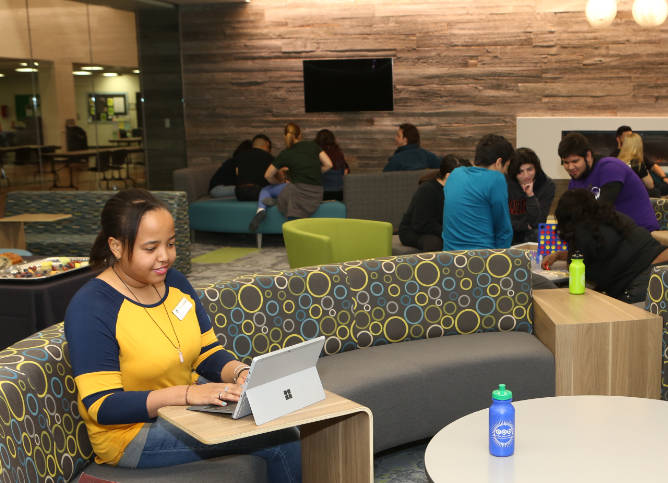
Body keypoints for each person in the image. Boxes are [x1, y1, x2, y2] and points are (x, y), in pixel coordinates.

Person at [64, 189, 301, 479]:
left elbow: (207, 351)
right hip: (130, 435)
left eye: (171, 244)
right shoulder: (91, 307)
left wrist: (239, 372)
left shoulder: (174, 282)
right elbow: (103, 406)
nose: (165, 257)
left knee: (280, 419)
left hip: (185, 408)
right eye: (150, 249)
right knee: (280, 440)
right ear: (115, 246)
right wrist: (188, 395)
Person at [541, 189, 668, 303]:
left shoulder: (582, 232)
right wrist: (559, 255)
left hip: (641, 283)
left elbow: (579, 271)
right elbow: (604, 250)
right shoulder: (613, 216)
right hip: (662, 266)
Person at [558, 132, 659, 232]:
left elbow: (603, 208)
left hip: (640, 232)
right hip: (613, 233)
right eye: (566, 162)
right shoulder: (575, 180)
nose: (570, 167)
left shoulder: (610, 167)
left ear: (588, 156)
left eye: (575, 161)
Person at [249, 123, 332, 231]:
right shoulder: (312, 146)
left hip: (296, 192)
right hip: (316, 194)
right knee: (289, 188)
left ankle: (262, 209)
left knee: (266, 189)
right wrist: (314, 172)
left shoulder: (286, 153)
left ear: (285, 136)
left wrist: (277, 183)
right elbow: (329, 165)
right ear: (300, 134)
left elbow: (267, 175)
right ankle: (277, 200)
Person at [442, 134, 514, 250]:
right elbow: (503, 231)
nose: (504, 173)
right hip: (480, 259)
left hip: (449, 257)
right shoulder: (496, 178)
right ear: (499, 162)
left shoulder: (455, 174)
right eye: (506, 167)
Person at [398, 155, 459, 252]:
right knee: (434, 243)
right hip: (413, 230)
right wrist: (447, 232)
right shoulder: (427, 190)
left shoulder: (455, 190)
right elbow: (421, 223)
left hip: (436, 228)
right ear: (448, 176)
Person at [507, 147, 556, 244]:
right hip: (509, 233)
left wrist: (530, 195)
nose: (526, 175)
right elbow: (502, 220)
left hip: (532, 235)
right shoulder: (506, 182)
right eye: (520, 172)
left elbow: (538, 222)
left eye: (530, 169)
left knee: (536, 233)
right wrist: (524, 225)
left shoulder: (547, 185)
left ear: (536, 169)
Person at [612, 125, 668, 195]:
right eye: (628, 138)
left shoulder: (627, 157)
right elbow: (650, 185)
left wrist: (664, 177)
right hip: (640, 191)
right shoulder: (633, 161)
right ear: (618, 139)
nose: (630, 139)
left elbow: (653, 165)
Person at [233, 134, 274, 201]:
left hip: (239, 193)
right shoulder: (268, 157)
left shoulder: (240, 155)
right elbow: (272, 176)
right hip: (257, 192)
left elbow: (237, 174)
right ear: (267, 145)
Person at [315, 129, 350, 201]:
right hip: (339, 193)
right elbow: (346, 171)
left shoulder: (317, 153)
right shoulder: (338, 153)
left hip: (322, 193)